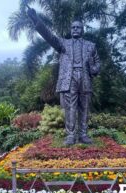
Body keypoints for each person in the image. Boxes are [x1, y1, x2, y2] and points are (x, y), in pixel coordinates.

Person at [27, 7, 100, 145]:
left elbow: (97, 63)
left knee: (84, 107)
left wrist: (94, 68)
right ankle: (71, 136)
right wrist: (35, 19)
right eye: (73, 27)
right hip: (69, 77)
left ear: (82, 30)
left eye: (78, 27)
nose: (75, 29)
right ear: (71, 30)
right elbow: (49, 36)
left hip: (85, 77)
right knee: (70, 108)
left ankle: (83, 135)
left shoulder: (91, 46)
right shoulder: (63, 43)